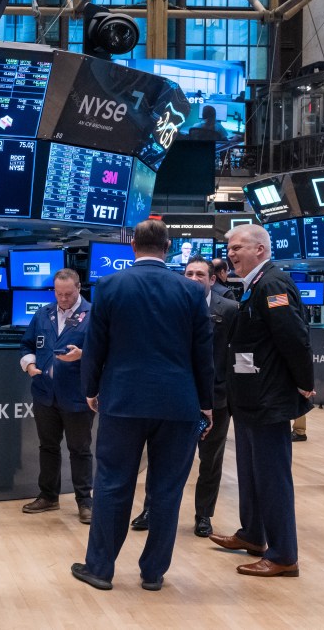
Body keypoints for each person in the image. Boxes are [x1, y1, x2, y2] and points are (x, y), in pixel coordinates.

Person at [72, 219, 213, 592]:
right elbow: (203, 353)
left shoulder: (110, 286)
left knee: (113, 485)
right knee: (167, 490)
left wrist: (90, 389)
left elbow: (95, 347)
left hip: (122, 400)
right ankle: (153, 574)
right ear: (168, 247)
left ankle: (100, 569)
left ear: (133, 245)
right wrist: (206, 403)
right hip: (179, 404)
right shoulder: (191, 291)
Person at [209, 223, 314, 578]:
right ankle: (253, 534)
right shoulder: (252, 285)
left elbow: (294, 338)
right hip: (250, 398)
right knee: (251, 473)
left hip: (269, 399)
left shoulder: (272, 284)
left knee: (272, 477)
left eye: (237, 247)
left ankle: (284, 554)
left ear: (260, 250)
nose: (231, 253)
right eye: (229, 248)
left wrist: (305, 383)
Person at [129, 256, 237, 538]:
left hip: (216, 398)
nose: (193, 278)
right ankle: (151, 508)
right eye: (188, 273)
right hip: (176, 395)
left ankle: (203, 515)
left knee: (210, 460)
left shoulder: (229, 309)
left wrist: (226, 393)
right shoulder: (170, 305)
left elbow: (234, 354)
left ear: (212, 279)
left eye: (200, 274)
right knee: (160, 456)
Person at [18, 268, 94, 524]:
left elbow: (108, 352)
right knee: (48, 447)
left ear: (79, 288)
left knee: (80, 449)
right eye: (58, 293)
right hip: (44, 393)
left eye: (68, 294)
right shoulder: (43, 313)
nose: (63, 299)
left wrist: (84, 354)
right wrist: (29, 365)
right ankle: (49, 496)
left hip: (77, 396)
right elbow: (27, 344)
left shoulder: (93, 315)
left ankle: (85, 501)